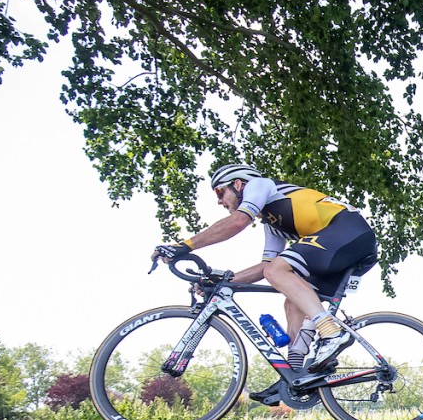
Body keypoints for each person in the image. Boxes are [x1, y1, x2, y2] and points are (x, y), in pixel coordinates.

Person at [152, 163, 378, 385]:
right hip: (344, 244)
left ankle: (331, 333)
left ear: (239, 184)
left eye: (220, 191)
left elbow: (239, 221)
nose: (219, 200)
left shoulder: (260, 185)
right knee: (293, 299)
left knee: (278, 271)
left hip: (346, 230)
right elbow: (265, 267)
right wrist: (223, 282)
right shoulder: (272, 223)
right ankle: (296, 375)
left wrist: (184, 245)